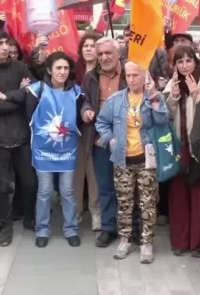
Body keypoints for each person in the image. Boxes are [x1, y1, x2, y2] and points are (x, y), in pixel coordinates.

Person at [95, 61, 168, 264]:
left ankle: (146, 242)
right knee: (125, 203)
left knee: (148, 204)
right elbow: (101, 121)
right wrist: (109, 139)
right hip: (122, 159)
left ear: (145, 76)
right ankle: (125, 239)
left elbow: (162, 121)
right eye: (128, 75)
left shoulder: (153, 97)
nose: (131, 79)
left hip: (146, 159)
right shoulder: (116, 99)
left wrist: (154, 95)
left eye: (136, 75)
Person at [0, 29, 37, 246]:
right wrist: (17, 98)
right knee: (2, 186)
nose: (5, 47)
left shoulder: (19, 67)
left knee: (29, 182)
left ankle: (29, 217)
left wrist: (6, 95)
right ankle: (6, 225)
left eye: (7, 43)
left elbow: (33, 92)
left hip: (21, 135)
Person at [24, 52, 83, 248]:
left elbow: (81, 115)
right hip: (43, 151)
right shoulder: (36, 90)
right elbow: (29, 119)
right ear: (49, 70)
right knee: (45, 191)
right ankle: (42, 229)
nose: (63, 72)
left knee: (67, 191)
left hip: (68, 150)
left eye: (66, 68)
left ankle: (71, 229)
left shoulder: (76, 91)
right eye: (58, 67)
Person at [163, 45, 200, 258]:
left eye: (188, 60)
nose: (184, 65)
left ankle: (199, 241)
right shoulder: (171, 84)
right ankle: (181, 240)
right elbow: (164, 116)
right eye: (180, 61)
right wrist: (172, 98)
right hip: (177, 146)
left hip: (199, 147)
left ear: (195, 62)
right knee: (178, 194)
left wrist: (197, 96)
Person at [80, 37, 127, 248]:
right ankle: (109, 228)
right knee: (105, 187)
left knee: (129, 187)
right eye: (100, 54)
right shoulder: (90, 76)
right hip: (100, 141)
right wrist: (86, 110)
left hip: (128, 140)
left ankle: (130, 228)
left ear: (119, 53)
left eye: (108, 53)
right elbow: (85, 100)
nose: (104, 57)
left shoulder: (130, 72)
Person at [74, 31, 102, 230]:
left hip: (96, 129)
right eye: (86, 45)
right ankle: (75, 212)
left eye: (93, 45)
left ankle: (96, 212)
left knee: (94, 172)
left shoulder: (103, 73)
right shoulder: (73, 71)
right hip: (74, 129)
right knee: (76, 172)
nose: (89, 49)